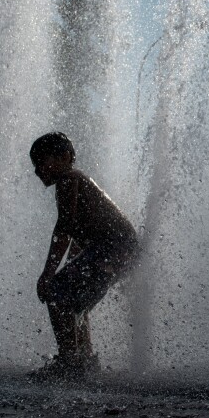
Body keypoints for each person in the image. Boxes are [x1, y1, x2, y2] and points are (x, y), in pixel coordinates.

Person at [29, 132, 138, 379]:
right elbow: (82, 235)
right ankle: (85, 360)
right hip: (122, 249)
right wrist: (70, 266)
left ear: (65, 157)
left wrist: (48, 274)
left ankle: (70, 362)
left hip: (114, 247)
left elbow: (64, 228)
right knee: (76, 299)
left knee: (56, 291)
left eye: (41, 161)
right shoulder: (75, 181)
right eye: (34, 164)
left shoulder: (68, 179)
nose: (37, 170)